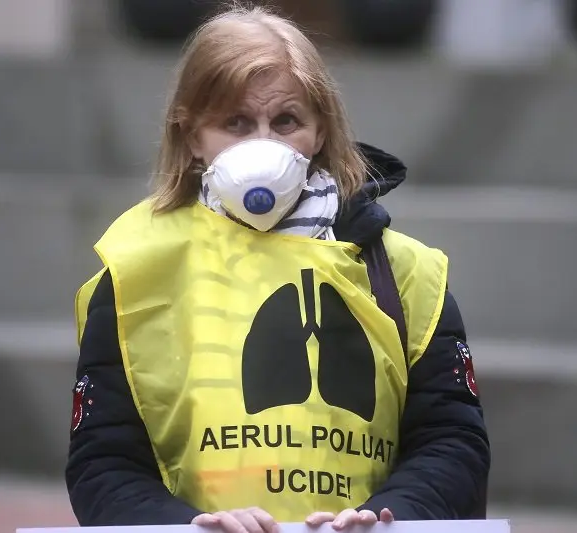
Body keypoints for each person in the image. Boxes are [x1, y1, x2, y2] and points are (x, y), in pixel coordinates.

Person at [66, 5, 490, 531]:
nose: (263, 146)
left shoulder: (408, 274)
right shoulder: (137, 270)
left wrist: (387, 520)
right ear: (192, 135)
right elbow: (103, 463)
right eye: (236, 123)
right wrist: (188, 526)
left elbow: (452, 443)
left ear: (320, 132)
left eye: (285, 121)